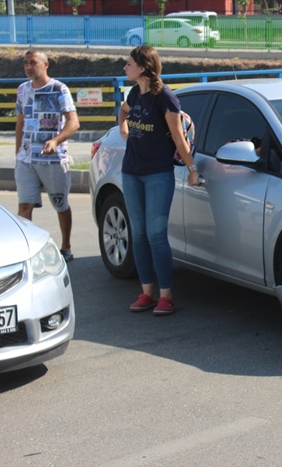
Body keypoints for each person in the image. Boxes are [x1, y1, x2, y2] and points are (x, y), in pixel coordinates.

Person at [118, 45, 200, 316]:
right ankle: (146, 293)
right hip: (131, 172)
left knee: (155, 234)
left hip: (157, 174)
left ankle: (166, 296)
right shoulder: (134, 93)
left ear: (143, 67)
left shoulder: (165, 97)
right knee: (138, 234)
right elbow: (123, 110)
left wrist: (192, 168)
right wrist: (123, 127)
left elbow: (178, 137)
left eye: (129, 64)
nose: (125, 68)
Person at [15, 49, 80, 262]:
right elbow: (21, 121)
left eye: (32, 62)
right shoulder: (22, 90)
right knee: (24, 206)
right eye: (25, 63)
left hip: (53, 160)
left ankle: (66, 246)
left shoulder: (59, 89)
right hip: (26, 160)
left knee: (60, 204)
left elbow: (73, 122)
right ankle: (28, 252)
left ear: (45, 65)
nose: (28, 67)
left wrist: (55, 141)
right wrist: (18, 152)